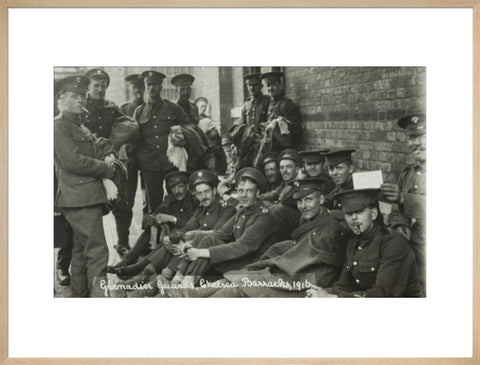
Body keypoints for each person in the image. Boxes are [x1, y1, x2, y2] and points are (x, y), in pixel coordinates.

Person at [161, 177, 347, 298]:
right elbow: (221, 234)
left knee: (238, 287)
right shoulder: (309, 219)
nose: (303, 206)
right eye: (300, 201)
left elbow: (323, 263)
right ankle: (185, 292)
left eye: (309, 200)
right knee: (232, 280)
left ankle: (184, 295)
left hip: (299, 278)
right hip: (285, 267)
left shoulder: (329, 227)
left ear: (321, 200)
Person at [121, 170, 238, 297]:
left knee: (193, 239)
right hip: (195, 251)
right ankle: (145, 277)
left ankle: (157, 282)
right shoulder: (201, 208)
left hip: (212, 256)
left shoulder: (226, 208)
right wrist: (170, 238)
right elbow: (186, 228)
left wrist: (188, 237)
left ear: (214, 191)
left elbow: (217, 234)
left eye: (206, 191)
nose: (203, 196)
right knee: (177, 240)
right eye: (199, 193)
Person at [54, 75, 115, 297]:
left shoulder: (77, 125)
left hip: (81, 197)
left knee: (80, 251)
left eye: (82, 95)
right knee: (98, 252)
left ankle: (80, 296)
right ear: (62, 99)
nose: (81, 99)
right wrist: (105, 168)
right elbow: (72, 162)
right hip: (80, 198)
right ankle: (99, 298)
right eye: (74, 96)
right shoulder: (60, 126)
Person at [306, 188, 423, 298]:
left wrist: (334, 297)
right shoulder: (353, 242)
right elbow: (344, 285)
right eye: (348, 213)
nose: (353, 218)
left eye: (359, 212)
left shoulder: (393, 243)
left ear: (373, 214)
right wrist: (323, 292)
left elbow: (384, 294)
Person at [179, 167, 279, 287]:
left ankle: (186, 283)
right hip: (239, 258)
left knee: (207, 249)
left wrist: (200, 252)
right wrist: (194, 243)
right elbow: (220, 233)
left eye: (249, 191)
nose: (244, 195)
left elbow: (242, 246)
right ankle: (187, 280)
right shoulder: (243, 211)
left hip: (252, 265)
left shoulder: (264, 217)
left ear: (257, 193)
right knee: (209, 240)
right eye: (241, 191)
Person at [83, 68, 134, 256]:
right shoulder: (80, 107)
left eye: (103, 86)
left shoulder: (111, 108)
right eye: (96, 85)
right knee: (82, 210)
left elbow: (130, 125)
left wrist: (113, 144)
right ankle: (65, 262)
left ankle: (122, 242)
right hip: (85, 162)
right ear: (88, 87)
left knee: (122, 202)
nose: (100, 89)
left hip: (108, 160)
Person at [381, 114, 426, 294]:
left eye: (422, 136)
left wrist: (402, 198)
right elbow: (395, 209)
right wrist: (399, 224)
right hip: (410, 253)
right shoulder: (407, 173)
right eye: (411, 138)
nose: (416, 143)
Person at [134, 70, 188, 212]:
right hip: (150, 165)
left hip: (171, 162)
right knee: (153, 204)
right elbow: (135, 139)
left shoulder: (173, 108)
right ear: (145, 87)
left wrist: (180, 137)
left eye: (155, 84)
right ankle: (154, 233)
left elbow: (188, 129)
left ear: (161, 86)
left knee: (177, 199)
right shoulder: (139, 112)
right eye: (148, 85)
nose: (151, 88)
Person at [254, 71, 302, 168]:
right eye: (268, 85)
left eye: (273, 85)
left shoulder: (286, 105)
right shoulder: (271, 104)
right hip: (270, 149)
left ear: (280, 85)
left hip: (282, 151)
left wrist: (279, 124)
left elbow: (296, 130)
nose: (270, 88)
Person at [230, 73, 270, 169]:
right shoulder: (247, 104)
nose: (252, 88)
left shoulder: (267, 101)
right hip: (247, 142)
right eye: (249, 85)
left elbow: (269, 121)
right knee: (243, 165)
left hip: (261, 141)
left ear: (261, 86)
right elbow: (241, 124)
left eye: (255, 85)